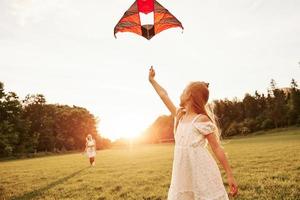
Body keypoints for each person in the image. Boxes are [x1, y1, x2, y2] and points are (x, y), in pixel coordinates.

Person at [148, 66, 238, 200]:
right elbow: (163, 95)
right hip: (182, 173)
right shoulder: (179, 115)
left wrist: (230, 175)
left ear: (189, 95)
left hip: (201, 172)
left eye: (184, 90)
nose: (181, 93)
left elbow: (216, 147)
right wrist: (152, 80)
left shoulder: (201, 120)